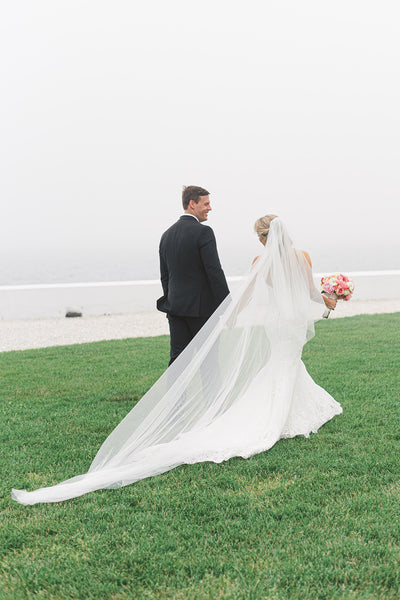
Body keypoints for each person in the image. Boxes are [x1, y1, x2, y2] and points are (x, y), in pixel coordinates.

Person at [12, 216, 342, 505]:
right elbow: (311, 292)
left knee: (283, 364)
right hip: (295, 320)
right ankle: (284, 411)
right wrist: (330, 296)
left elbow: (245, 295)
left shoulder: (261, 261)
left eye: (260, 236)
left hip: (277, 323)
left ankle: (286, 407)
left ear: (264, 237)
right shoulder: (304, 257)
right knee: (286, 363)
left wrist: (229, 315)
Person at [157, 185, 229, 364]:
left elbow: (165, 276)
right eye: (206, 204)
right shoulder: (204, 232)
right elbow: (214, 272)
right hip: (202, 311)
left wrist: (170, 299)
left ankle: (176, 394)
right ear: (192, 204)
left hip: (175, 309)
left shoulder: (166, 235)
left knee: (178, 362)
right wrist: (227, 305)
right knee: (209, 363)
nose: (209, 208)